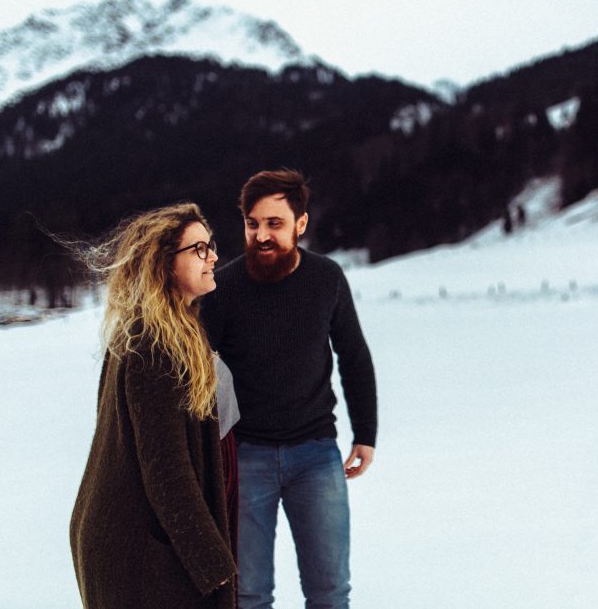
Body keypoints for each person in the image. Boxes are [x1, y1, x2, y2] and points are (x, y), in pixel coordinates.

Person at [201, 169, 377, 609]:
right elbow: (198, 371)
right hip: (245, 457)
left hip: (315, 454)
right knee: (249, 595)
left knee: (330, 592)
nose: (261, 235)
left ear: (300, 224)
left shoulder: (326, 278)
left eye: (274, 224)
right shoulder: (223, 288)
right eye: (252, 223)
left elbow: (353, 356)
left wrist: (366, 433)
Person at [69, 203, 237, 608]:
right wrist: (214, 568)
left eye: (211, 245)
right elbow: (166, 471)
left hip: (133, 538)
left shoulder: (165, 331)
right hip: (138, 552)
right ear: (164, 264)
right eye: (199, 249)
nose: (213, 256)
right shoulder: (153, 345)